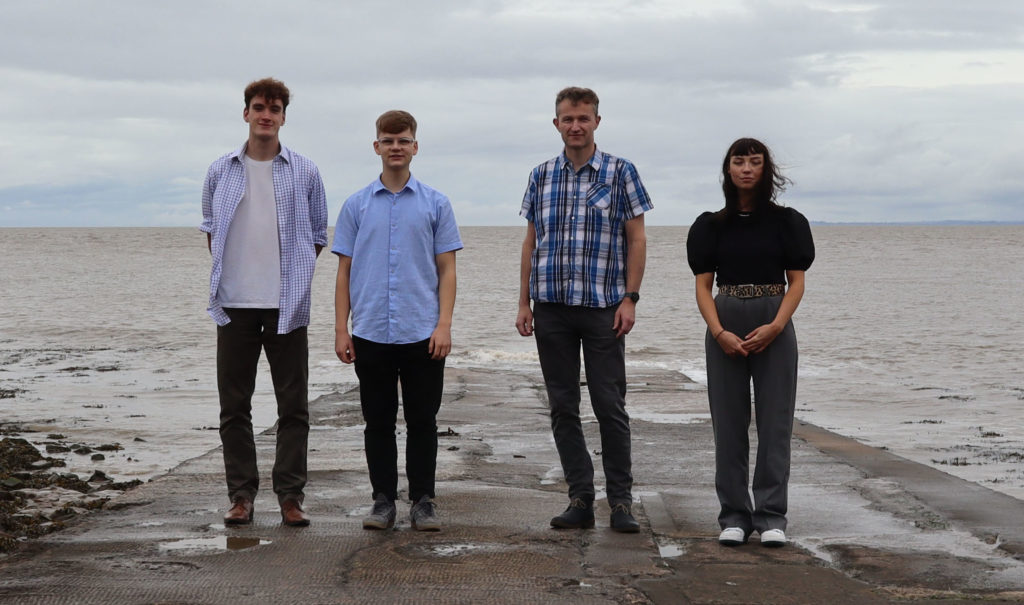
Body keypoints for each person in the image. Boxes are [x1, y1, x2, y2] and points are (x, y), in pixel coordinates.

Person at [516, 87, 653, 533]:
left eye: (583, 118)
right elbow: (531, 242)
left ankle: (621, 503)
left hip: (603, 308)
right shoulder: (541, 175)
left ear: (597, 121)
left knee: (610, 405)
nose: (575, 125)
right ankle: (580, 498)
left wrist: (630, 297)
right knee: (562, 407)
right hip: (551, 307)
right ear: (556, 123)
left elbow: (637, 239)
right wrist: (524, 301)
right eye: (567, 118)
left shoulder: (620, 172)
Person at [200, 78, 327, 527]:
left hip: (286, 306)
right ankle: (241, 497)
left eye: (274, 108)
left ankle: (290, 497)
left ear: (284, 117)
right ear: (246, 113)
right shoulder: (220, 170)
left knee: (293, 407)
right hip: (234, 305)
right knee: (234, 406)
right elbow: (212, 231)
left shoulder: (306, 171)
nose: (266, 115)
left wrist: (289, 280)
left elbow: (316, 235)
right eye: (259, 107)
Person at [333, 110, 462, 532]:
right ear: (376, 146)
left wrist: (443, 325)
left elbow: (447, 269)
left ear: (415, 146)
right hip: (370, 330)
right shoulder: (356, 205)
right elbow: (344, 272)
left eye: (403, 140)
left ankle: (423, 500)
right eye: (388, 140)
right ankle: (382, 501)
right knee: (378, 421)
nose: (395, 147)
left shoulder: (436, 203)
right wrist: (341, 328)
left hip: (422, 331)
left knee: (423, 421)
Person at [686, 138, 814, 547]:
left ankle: (772, 516)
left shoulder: (787, 222)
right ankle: (734, 517)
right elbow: (703, 287)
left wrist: (777, 325)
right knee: (729, 423)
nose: (745, 168)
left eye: (754, 162)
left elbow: (797, 282)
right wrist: (719, 331)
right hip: (724, 320)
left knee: (775, 422)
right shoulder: (711, 225)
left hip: (774, 320)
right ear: (727, 169)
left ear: (766, 169)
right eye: (738, 161)